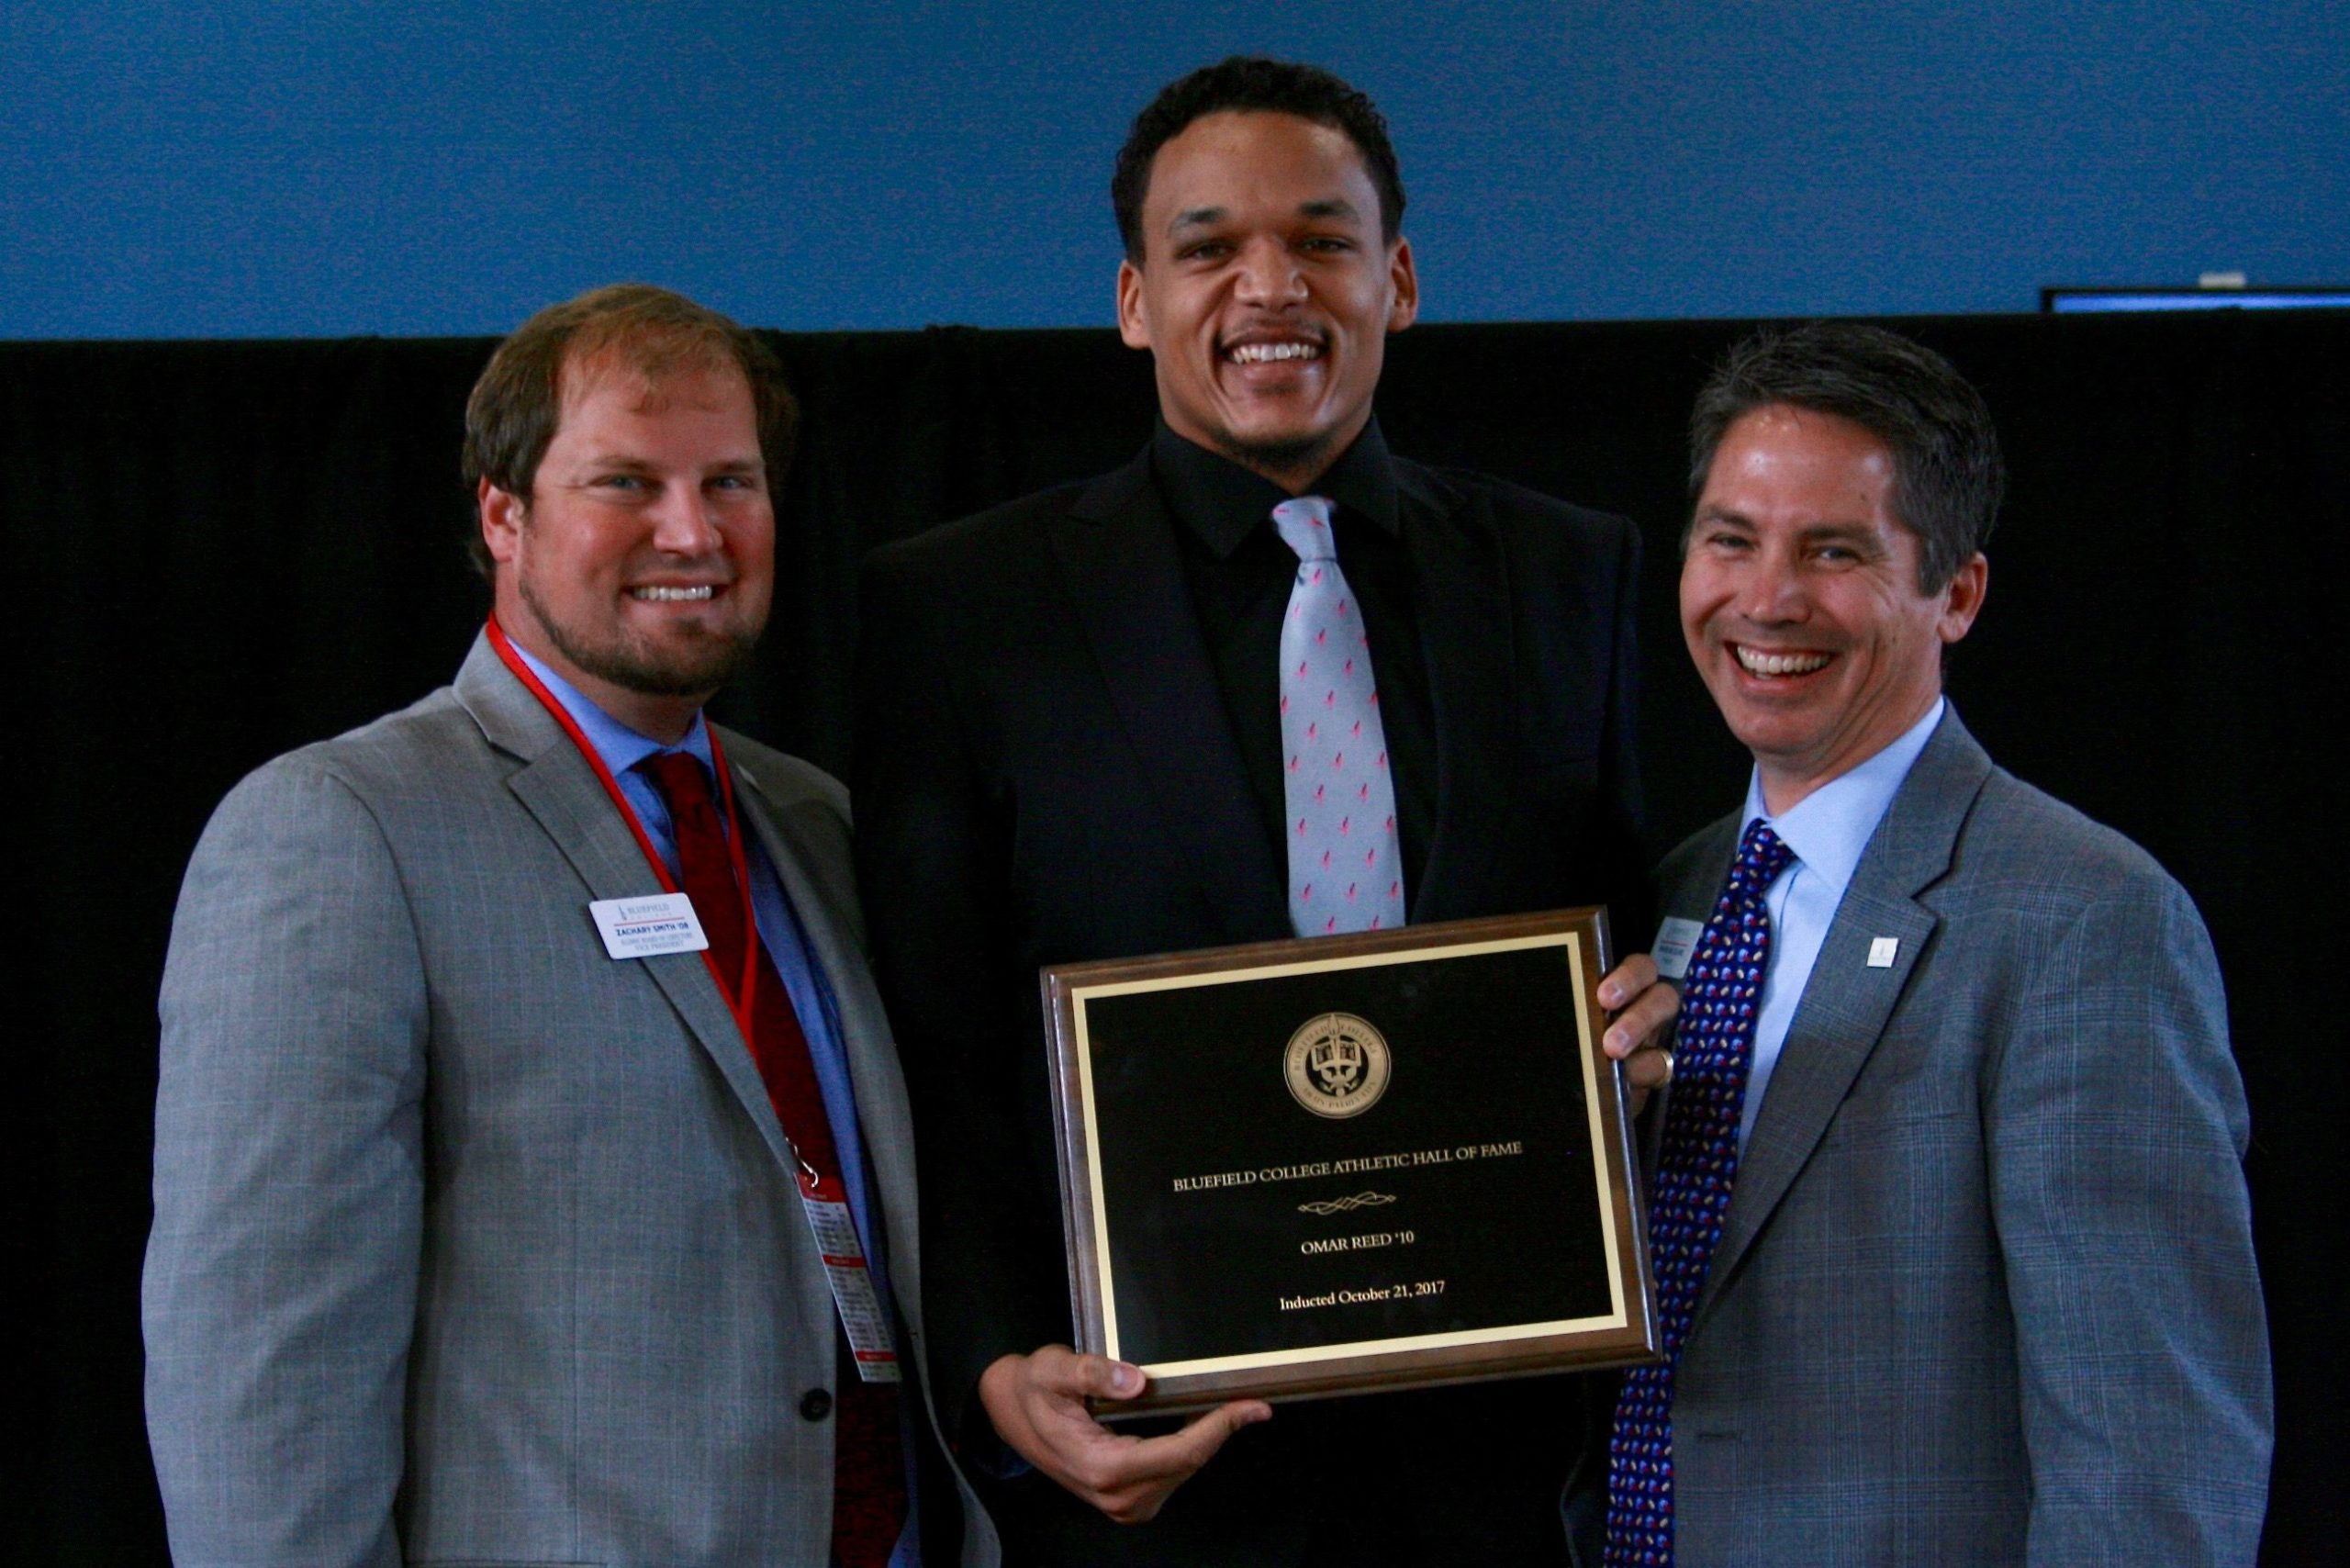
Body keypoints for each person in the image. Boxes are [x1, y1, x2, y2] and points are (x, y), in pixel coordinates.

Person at [855, 57, 1675, 1565]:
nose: (1269, 286)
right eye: (1209, 247)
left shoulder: (1577, 578)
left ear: (1400, 279)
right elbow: (941, 1061)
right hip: (1152, 1470)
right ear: (1131, 300)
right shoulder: (963, 612)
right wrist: (988, 1366)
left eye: (1322, 239)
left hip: (1502, 1472)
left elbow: (1630, 950)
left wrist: (1646, 1043)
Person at [143, 284, 991, 1567]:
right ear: (503, 513)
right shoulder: (338, 829)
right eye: (625, 484)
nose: (692, 531)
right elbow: (257, 1379)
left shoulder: (817, 825)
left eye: (731, 482)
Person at [1612, 321, 2272, 1564]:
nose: (1765, 599)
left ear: (1954, 592)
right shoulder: (1668, 899)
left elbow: (2151, 1469)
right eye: (1731, 540)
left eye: (1835, 552)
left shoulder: (2088, 920)